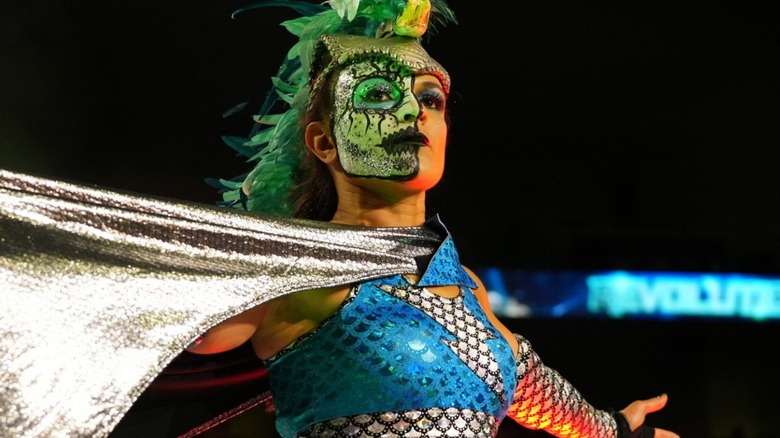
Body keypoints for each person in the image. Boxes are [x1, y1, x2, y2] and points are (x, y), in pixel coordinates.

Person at [185, 1, 680, 437]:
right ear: (323, 142)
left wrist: (614, 430)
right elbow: (157, 336)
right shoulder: (295, 270)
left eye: (429, 99)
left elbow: (527, 386)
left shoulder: (464, 284)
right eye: (378, 95)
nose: (412, 112)